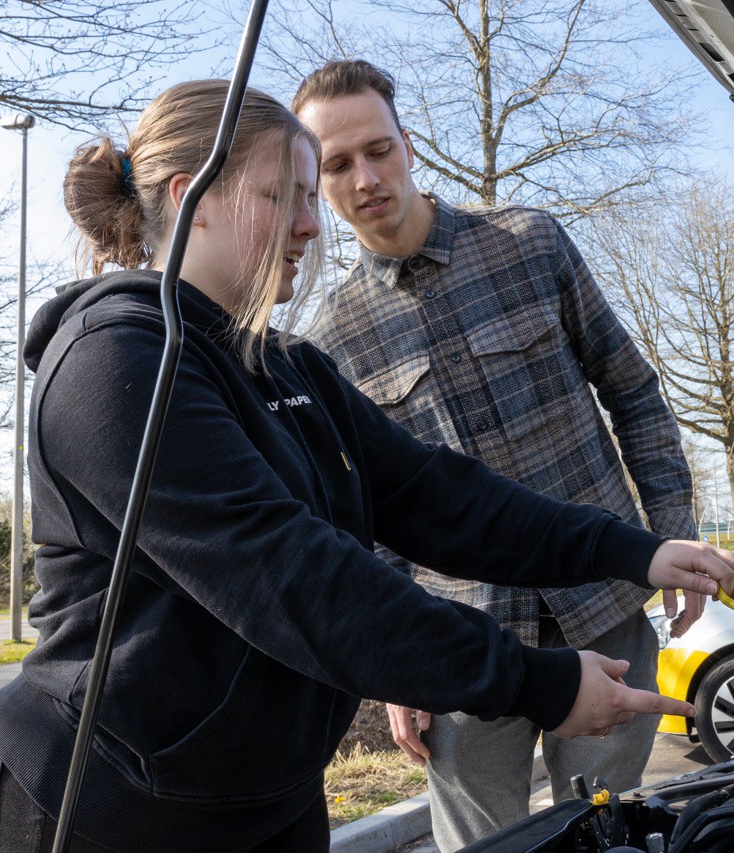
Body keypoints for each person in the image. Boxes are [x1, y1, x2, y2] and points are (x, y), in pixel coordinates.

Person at [0, 80, 734, 853]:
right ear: (191, 196)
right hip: (107, 809)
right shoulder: (117, 362)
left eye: (309, 196)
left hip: (266, 795)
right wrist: (540, 681)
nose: (311, 226)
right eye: (286, 196)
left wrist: (632, 547)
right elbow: (292, 576)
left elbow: (438, 497)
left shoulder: (285, 365)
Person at [292, 61, 701, 849]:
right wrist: (396, 669)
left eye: (379, 148)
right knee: (485, 845)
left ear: (409, 143)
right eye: (337, 164)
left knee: (607, 832)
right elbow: (367, 520)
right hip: (464, 650)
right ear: (314, 180)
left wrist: (669, 530)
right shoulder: (327, 340)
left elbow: (634, 391)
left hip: (602, 608)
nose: (365, 177)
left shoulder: (531, 243)